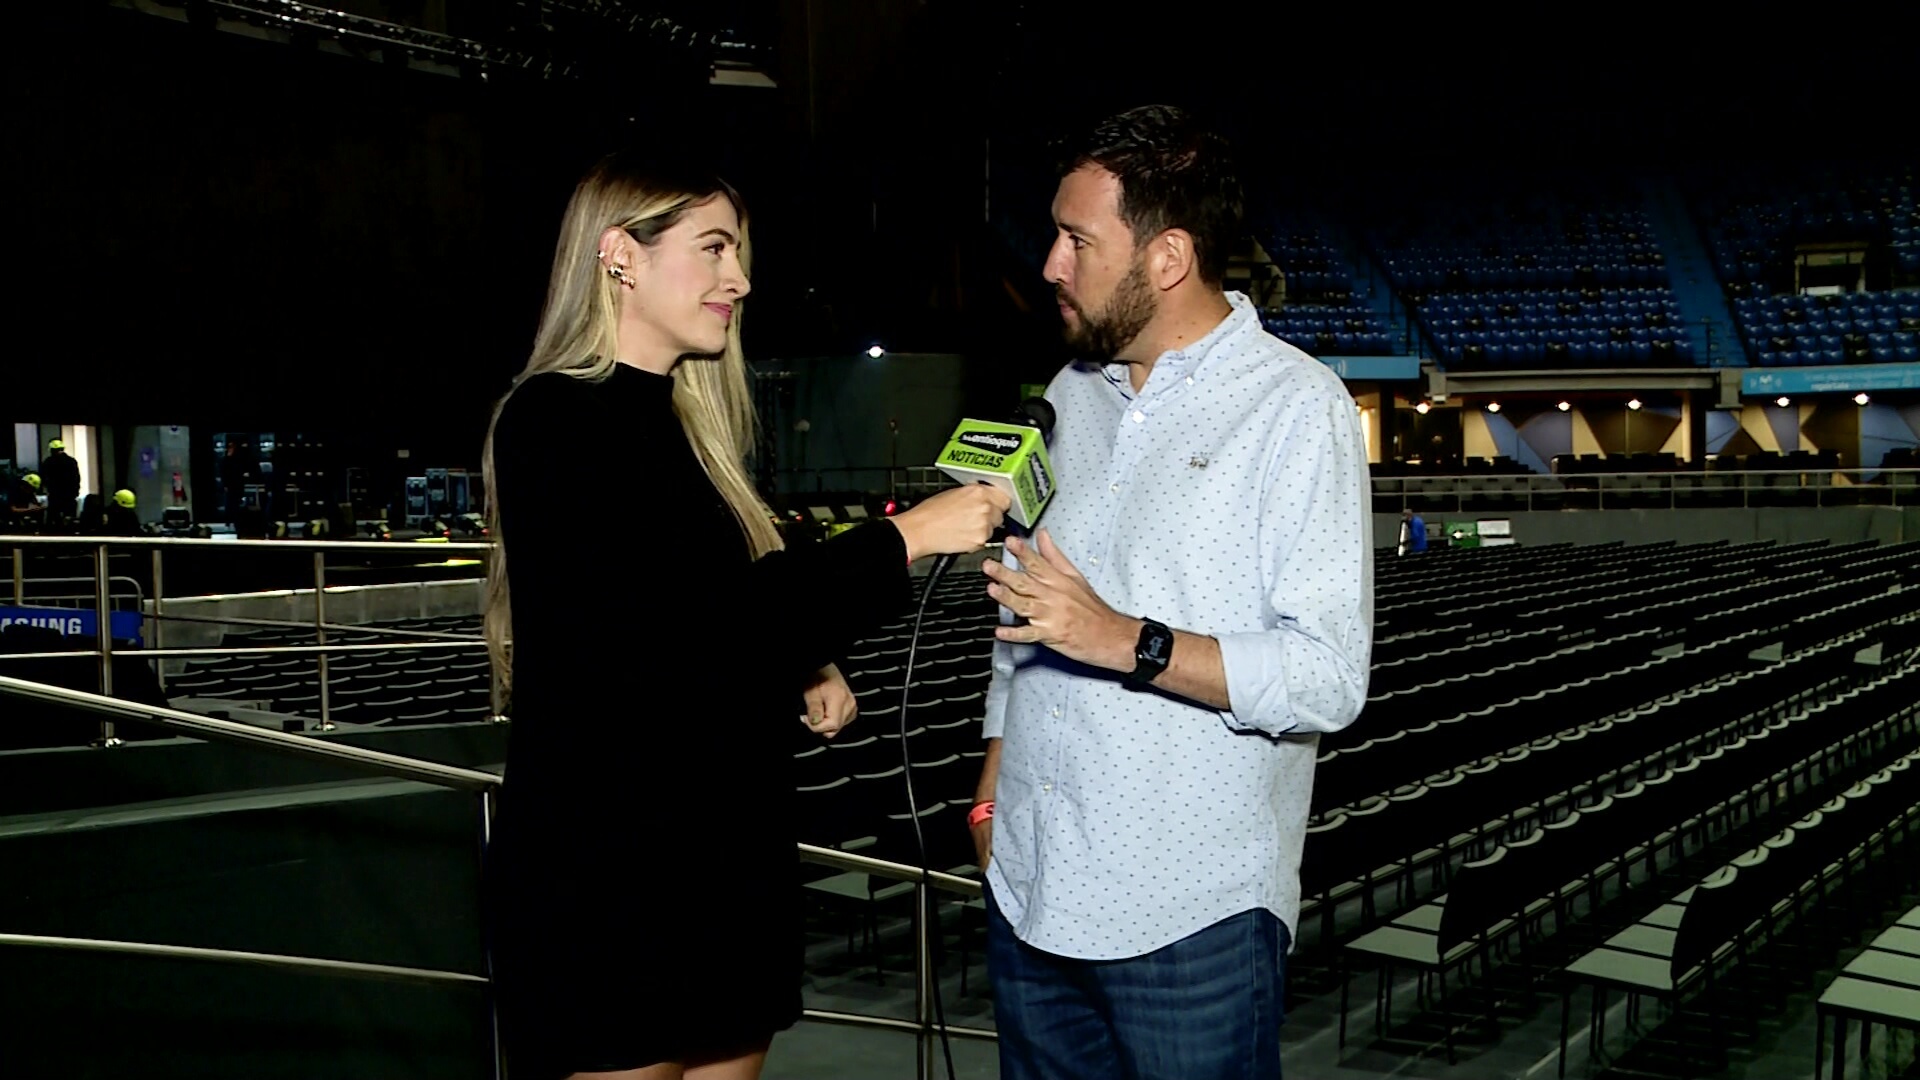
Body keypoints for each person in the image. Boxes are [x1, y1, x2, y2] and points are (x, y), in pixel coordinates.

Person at [479, 153, 1010, 1080]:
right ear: (620, 255)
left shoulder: (693, 429)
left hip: (725, 873)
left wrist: (806, 658)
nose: (742, 278)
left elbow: (714, 615)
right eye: (715, 248)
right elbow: (670, 635)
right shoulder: (551, 421)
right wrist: (907, 536)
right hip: (611, 882)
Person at [970, 105, 1373, 1080]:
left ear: (1168, 258)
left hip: (1188, 918)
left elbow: (1328, 678)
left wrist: (1128, 640)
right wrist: (993, 777)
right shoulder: (1068, 396)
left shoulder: (1296, 407)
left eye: (1077, 241)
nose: (1052, 265)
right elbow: (1028, 603)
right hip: (1029, 890)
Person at [40, 439, 81, 523]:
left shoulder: (48, 462)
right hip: (70, 495)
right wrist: (76, 491)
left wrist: (46, 489)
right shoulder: (71, 461)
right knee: (69, 518)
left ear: (51, 450)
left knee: (54, 518)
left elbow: (44, 478)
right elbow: (76, 478)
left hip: (55, 495)